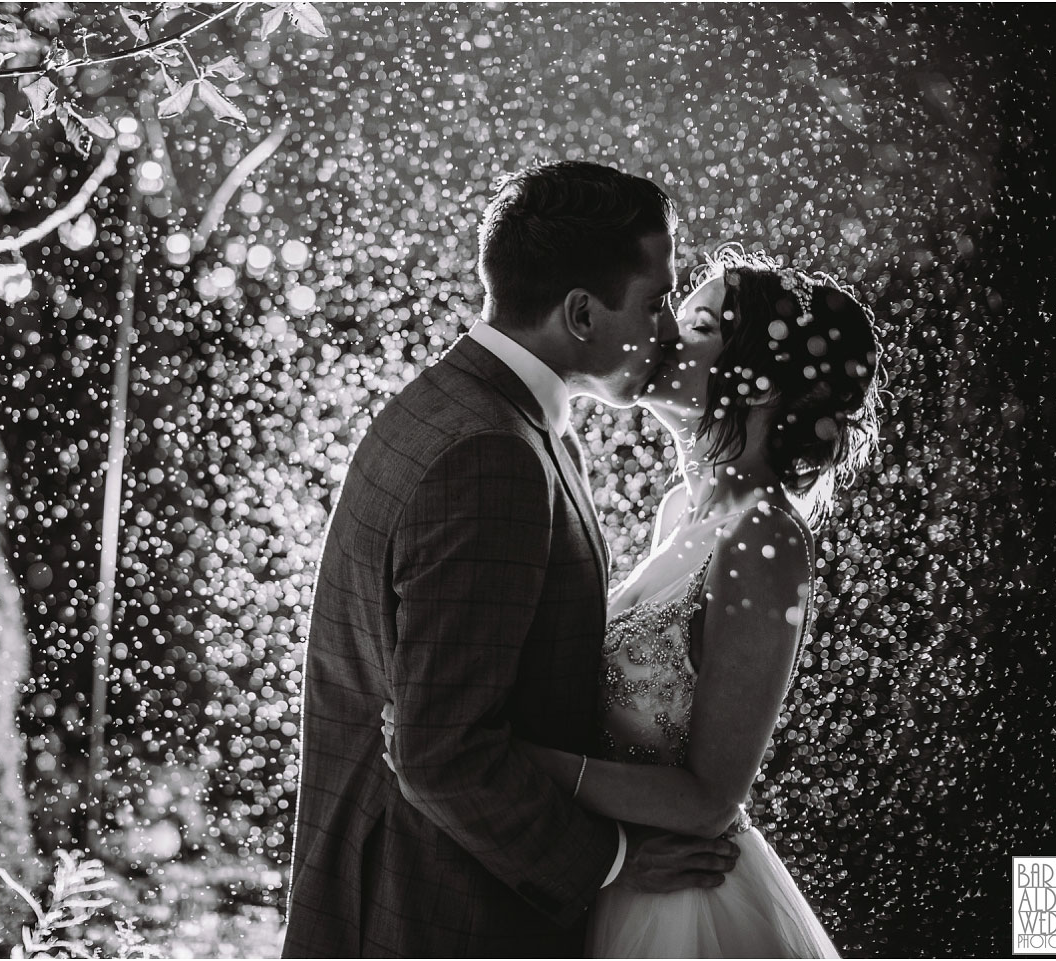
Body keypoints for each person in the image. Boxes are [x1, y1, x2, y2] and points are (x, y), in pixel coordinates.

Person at [282, 161, 745, 958]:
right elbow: (444, 755)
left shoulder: (474, 409)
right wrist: (615, 863)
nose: (668, 326)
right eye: (656, 299)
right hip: (436, 916)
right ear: (580, 312)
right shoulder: (489, 456)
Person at [384, 245, 884, 957]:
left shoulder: (765, 539)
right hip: (619, 876)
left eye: (700, 325)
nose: (668, 338)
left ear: (765, 384)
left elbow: (711, 796)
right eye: (674, 317)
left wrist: (507, 754)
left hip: (685, 906)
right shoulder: (681, 507)